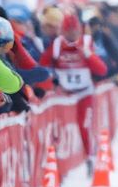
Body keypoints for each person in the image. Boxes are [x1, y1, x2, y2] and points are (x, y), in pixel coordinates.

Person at [39, 12, 109, 173]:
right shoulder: (56, 45)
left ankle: (90, 157)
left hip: (85, 93)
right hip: (64, 97)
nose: (71, 35)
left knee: (85, 126)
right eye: (68, 31)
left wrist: (87, 54)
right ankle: (58, 167)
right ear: (62, 31)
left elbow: (101, 69)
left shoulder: (87, 42)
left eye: (74, 31)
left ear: (79, 30)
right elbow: (42, 67)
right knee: (60, 130)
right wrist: (53, 81)